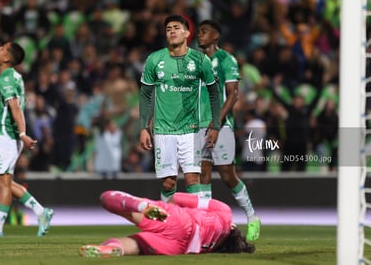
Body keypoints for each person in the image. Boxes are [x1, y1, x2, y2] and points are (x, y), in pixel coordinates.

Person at [0, 42, 53, 238]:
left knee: (3, 182)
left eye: (1, 48)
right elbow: (5, 112)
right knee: (5, 181)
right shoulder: (14, 77)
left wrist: (23, 133)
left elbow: (15, 107)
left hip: (8, 136)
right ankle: (41, 212)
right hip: (5, 135)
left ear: (7, 58)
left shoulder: (6, 78)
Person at [139, 15, 221, 202]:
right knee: (168, 182)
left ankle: (200, 228)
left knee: (193, 178)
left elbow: (214, 93)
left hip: (190, 130)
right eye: (168, 29)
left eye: (176, 28)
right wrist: (143, 127)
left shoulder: (201, 61)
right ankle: (168, 225)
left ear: (187, 33)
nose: (172, 31)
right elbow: (145, 94)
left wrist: (215, 125)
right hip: (163, 129)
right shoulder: (155, 59)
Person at [196, 20, 260, 241]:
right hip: (197, 125)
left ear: (216, 36)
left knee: (226, 175)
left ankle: (252, 217)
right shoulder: (193, 61)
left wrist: (215, 122)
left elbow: (233, 95)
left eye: (204, 32)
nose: (199, 35)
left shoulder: (226, 60)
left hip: (220, 125)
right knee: (201, 174)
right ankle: (206, 226)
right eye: (198, 32)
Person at [79, 190, 255, 257]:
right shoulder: (213, 246)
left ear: (233, 228)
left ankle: (141, 205)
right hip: (179, 247)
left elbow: (177, 197)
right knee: (135, 245)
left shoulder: (226, 213)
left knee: (107, 198)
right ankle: (110, 249)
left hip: (180, 221)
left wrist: (166, 207)